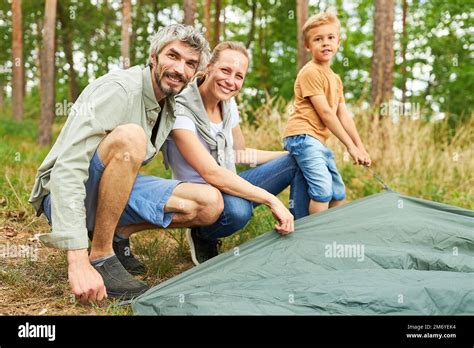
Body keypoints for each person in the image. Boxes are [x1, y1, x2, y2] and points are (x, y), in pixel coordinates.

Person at [29, 25, 222, 303]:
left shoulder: (169, 105)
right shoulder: (120, 89)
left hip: (104, 192)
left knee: (209, 203)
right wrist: (76, 259)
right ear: (153, 56)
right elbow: (67, 169)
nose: (180, 69)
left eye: (190, 64)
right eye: (173, 56)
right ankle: (101, 257)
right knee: (132, 137)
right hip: (65, 196)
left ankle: (114, 234)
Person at [164, 41, 310, 265]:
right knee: (239, 212)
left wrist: (290, 155)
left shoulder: (228, 105)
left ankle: (299, 236)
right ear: (208, 66)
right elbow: (211, 173)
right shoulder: (180, 108)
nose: (231, 81)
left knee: (299, 161)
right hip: (201, 194)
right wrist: (272, 201)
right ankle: (202, 233)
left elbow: (240, 154)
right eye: (225, 70)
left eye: (239, 76)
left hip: (229, 182)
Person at [282, 12, 371, 215]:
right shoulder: (310, 72)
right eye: (318, 39)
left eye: (330, 37)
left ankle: (330, 232)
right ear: (308, 46)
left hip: (317, 141)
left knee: (337, 193)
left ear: (338, 42)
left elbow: (343, 115)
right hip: (302, 136)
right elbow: (326, 114)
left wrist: (360, 147)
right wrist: (350, 147)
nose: (325, 43)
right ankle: (314, 238)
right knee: (322, 190)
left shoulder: (335, 79)